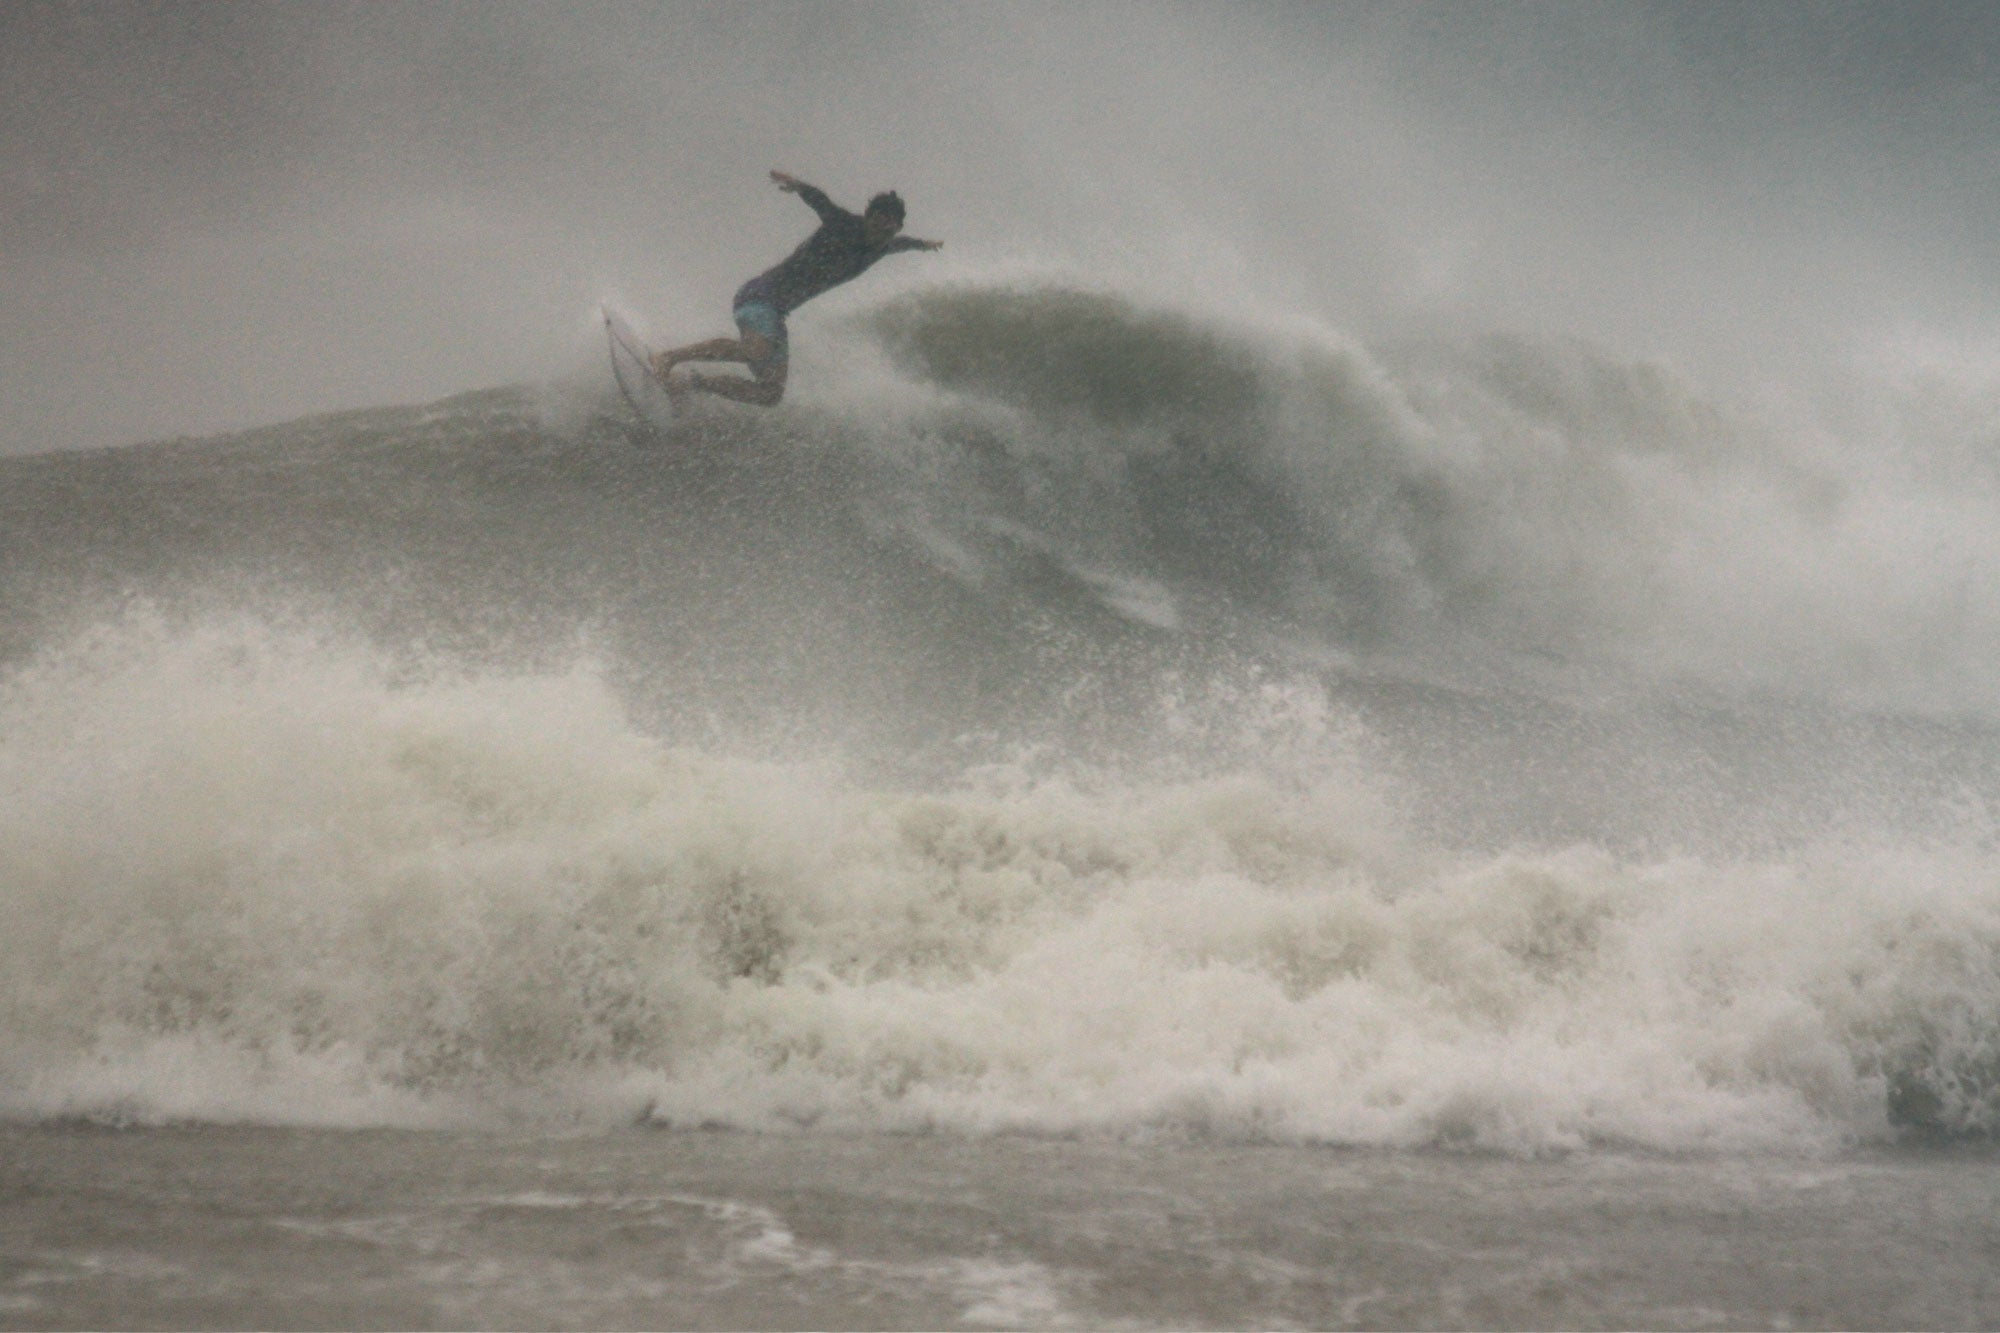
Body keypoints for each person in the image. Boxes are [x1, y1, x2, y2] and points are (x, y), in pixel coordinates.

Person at [652, 170, 942, 406]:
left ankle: (690, 383)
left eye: (890, 225)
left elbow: (904, 244)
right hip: (760, 295)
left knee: (769, 394)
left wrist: (923, 245)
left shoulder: (885, 246)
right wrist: (798, 186)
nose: (882, 229)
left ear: (897, 228)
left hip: (777, 312)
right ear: (867, 216)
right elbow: (821, 201)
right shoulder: (843, 225)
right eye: (877, 220)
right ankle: (668, 357)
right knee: (756, 350)